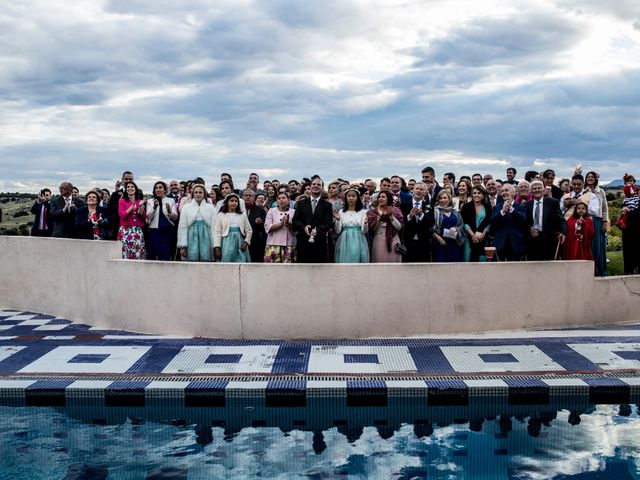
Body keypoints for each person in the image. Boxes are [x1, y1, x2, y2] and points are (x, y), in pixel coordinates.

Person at [292, 177, 333, 263]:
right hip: (303, 242)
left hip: (319, 243)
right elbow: (295, 220)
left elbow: (328, 223)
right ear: (310, 186)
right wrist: (304, 227)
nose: (316, 186)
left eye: (318, 184)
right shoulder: (301, 203)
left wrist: (317, 230)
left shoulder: (327, 205)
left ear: (322, 188)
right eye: (314, 184)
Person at [525, 180, 566, 261]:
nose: (537, 190)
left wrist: (563, 232)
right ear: (531, 191)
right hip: (532, 241)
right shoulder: (526, 205)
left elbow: (561, 220)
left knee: (549, 267)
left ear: (543, 190)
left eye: (539, 188)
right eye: (534, 188)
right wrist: (529, 228)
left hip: (549, 241)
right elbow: (524, 221)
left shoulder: (553, 202)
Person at [177, 185, 216, 262]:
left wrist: (215, 245)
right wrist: (182, 246)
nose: (198, 194)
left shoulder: (210, 208)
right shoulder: (186, 208)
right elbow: (182, 227)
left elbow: (214, 227)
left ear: (204, 194)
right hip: (191, 237)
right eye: (196, 192)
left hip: (206, 237)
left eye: (200, 192)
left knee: (205, 258)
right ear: (193, 194)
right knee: (192, 258)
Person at [490, 183, 527, 261]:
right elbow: (492, 221)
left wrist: (511, 209)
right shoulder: (497, 207)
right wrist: (502, 211)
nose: (503, 193)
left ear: (514, 193)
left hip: (516, 244)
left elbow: (523, 219)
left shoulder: (520, 206)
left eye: (506, 190)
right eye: (502, 191)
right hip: (500, 243)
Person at [333, 188, 369, 263]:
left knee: (358, 257)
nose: (351, 198)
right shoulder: (341, 212)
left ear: (357, 198)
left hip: (358, 238)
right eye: (349, 196)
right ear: (346, 198)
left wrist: (365, 223)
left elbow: (364, 231)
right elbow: (338, 230)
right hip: (345, 239)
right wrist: (338, 220)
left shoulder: (362, 212)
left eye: (353, 196)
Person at [214, 193, 252, 262]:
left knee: (241, 260)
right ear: (227, 203)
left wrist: (246, 242)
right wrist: (217, 247)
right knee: (227, 259)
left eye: (236, 201)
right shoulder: (221, 215)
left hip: (240, 242)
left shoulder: (242, 215)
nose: (234, 203)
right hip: (226, 242)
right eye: (231, 201)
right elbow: (217, 232)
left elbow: (249, 230)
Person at [145, 181, 178, 261]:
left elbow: (175, 217)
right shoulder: (150, 201)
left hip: (167, 231)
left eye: (160, 187)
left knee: (165, 254)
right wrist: (154, 208)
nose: (158, 189)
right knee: (153, 253)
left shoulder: (171, 200)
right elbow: (148, 217)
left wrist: (169, 211)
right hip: (154, 231)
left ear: (165, 190)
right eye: (156, 188)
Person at [367, 190, 403, 262]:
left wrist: (391, 216)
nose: (381, 198)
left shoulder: (396, 210)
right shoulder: (373, 211)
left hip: (393, 240)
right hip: (379, 240)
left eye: (383, 197)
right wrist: (379, 217)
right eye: (379, 197)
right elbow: (372, 229)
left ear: (389, 198)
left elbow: (399, 227)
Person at [402, 182, 434, 262]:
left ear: (425, 192)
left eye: (421, 189)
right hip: (408, 241)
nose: (419, 191)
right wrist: (410, 216)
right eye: (417, 189)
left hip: (423, 242)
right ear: (412, 190)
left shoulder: (429, 206)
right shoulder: (405, 204)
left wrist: (421, 215)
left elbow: (431, 222)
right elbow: (401, 221)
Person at [584, 171, 608, 276]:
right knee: (588, 244)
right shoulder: (584, 191)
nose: (590, 178)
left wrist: (604, 221)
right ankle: (588, 269)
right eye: (588, 177)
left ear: (595, 179)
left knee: (598, 245)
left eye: (592, 177)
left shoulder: (601, 191)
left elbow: (604, 208)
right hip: (586, 220)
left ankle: (599, 269)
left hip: (598, 221)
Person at [461, 184, 492, 261]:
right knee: (468, 260)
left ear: (483, 195)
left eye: (479, 193)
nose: (476, 195)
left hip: (483, 238)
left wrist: (483, 234)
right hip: (469, 238)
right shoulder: (466, 206)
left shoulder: (487, 206)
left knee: (482, 261)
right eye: (474, 193)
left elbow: (489, 222)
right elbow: (465, 222)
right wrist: (472, 235)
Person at [431, 189, 464, 262]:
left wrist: (456, 228)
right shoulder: (435, 212)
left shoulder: (455, 212)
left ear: (449, 199)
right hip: (440, 242)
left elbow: (461, 225)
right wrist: (439, 238)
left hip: (454, 242)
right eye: (440, 198)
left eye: (445, 198)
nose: (443, 200)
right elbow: (430, 228)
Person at [264, 192, 297, 263]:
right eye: (279, 198)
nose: (281, 200)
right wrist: (281, 224)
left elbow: (296, 230)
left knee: (289, 270)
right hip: (273, 245)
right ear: (276, 201)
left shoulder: (294, 212)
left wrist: (288, 224)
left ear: (288, 200)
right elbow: (267, 228)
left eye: (283, 198)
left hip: (289, 245)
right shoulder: (271, 211)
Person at [118, 181, 146, 259]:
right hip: (125, 230)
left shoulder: (139, 201)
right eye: (128, 187)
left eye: (132, 187)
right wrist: (132, 206)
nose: (130, 188)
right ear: (126, 190)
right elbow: (122, 215)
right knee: (124, 253)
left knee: (137, 253)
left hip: (137, 230)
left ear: (135, 189)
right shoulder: (122, 201)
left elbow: (143, 218)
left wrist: (141, 209)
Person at [106, 171, 134, 239]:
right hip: (119, 226)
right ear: (122, 180)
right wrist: (120, 202)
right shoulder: (116, 194)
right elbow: (109, 210)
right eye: (126, 179)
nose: (128, 181)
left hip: (134, 227)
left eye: (130, 179)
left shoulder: (138, 193)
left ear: (133, 180)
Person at [243, 189, 266, 263]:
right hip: (240, 240)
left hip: (254, 242)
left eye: (250, 196)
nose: (248, 197)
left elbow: (265, 226)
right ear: (242, 197)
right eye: (246, 195)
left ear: (254, 198)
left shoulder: (260, 210)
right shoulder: (238, 209)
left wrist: (260, 223)